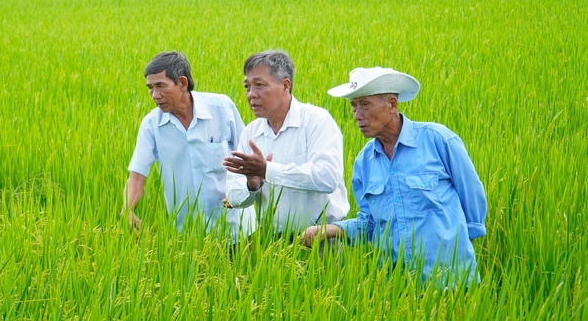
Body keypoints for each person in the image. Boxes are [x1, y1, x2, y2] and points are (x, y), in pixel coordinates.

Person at [301, 66, 487, 285]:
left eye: (365, 105)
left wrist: (458, 256)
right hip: (396, 286)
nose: (357, 115)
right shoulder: (364, 162)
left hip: (451, 282)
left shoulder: (438, 140)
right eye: (353, 106)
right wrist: (330, 229)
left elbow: (473, 202)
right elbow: (371, 225)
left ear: (391, 104)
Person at [125, 51, 254, 242]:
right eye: (150, 88)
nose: (154, 95)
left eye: (161, 86)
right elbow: (137, 176)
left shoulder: (221, 108)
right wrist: (127, 209)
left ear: (183, 83)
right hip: (187, 232)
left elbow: (247, 155)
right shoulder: (152, 124)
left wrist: (240, 187)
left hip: (234, 226)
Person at [223, 50, 349, 238]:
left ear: (285, 85)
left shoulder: (317, 121)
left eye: (259, 85)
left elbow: (327, 177)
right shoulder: (251, 133)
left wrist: (267, 170)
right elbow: (233, 196)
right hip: (271, 240)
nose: (251, 94)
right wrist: (252, 183)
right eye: (247, 87)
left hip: (320, 239)